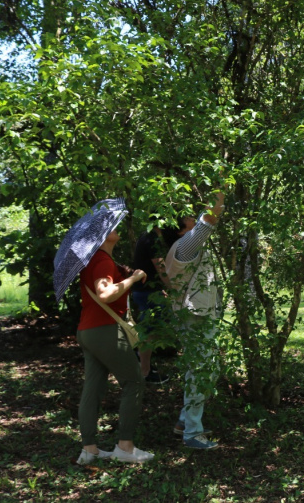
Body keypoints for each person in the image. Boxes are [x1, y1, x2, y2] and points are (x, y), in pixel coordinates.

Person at [76, 227, 153, 464]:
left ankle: (89, 450)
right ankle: (125, 448)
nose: (117, 227)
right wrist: (132, 279)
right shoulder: (101, 260)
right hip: (104, 330)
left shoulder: (97, 260)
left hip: (87, 331)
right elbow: (104, 293)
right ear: (100, 235)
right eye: (110, 227)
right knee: (134, 381)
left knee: (93, 387)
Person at [164, 192, 224, 450]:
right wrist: (220, 195)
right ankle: (192, 433)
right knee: (199, 372)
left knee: (207, 370)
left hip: (199, 316)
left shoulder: (186, 246)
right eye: (191, 217)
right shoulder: (185, 246)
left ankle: (184, 421)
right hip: (195, 317)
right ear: (182, 227)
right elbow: (207, 224)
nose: (195, 216)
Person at [131, 226, 172, 383]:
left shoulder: (146, 236)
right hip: (148, 293)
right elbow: (160, 267)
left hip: (147, 291)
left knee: (150, 331)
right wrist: (173, 289)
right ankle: (145, 372)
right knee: (149, 333)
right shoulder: (151, 239)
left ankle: (141, 360)